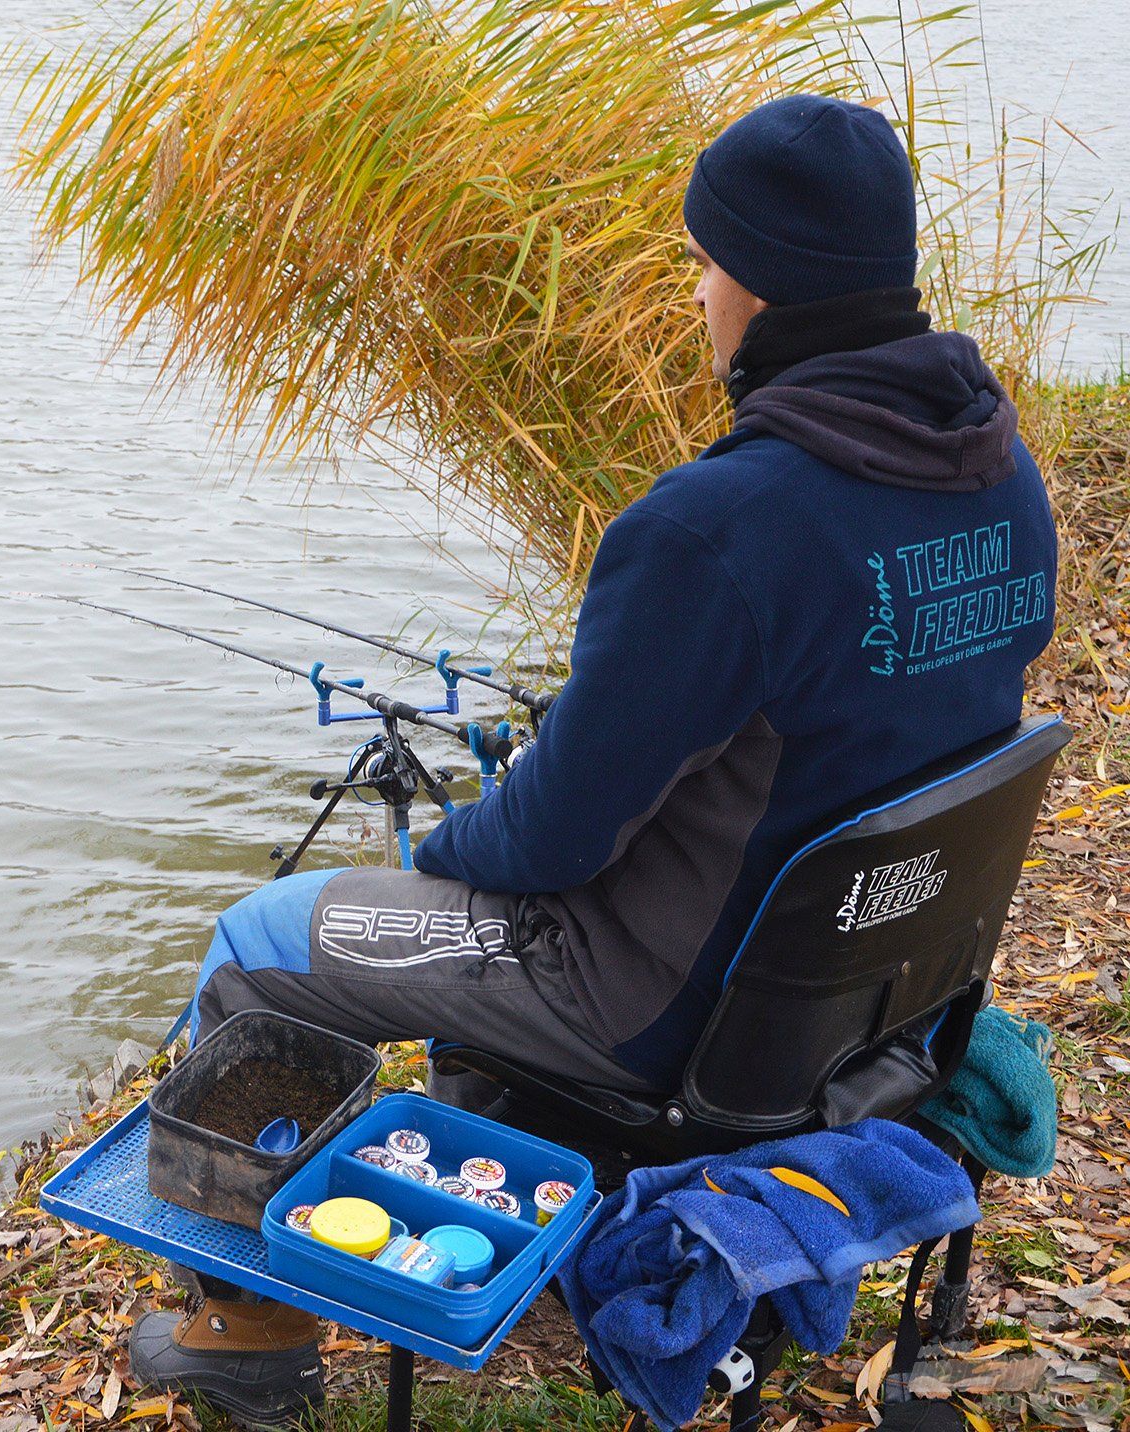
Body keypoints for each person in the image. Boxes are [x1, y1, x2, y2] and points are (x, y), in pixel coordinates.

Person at [128, 92, 1059, 1427]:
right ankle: (490, 1178)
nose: (697, 294)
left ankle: (243, 1336)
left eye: (705, 264)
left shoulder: (716, 528)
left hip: (659, 1004)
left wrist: (434, 865)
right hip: (863, 995)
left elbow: (552, 843)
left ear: (760, 290)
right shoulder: (996, 474)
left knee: (259, 939)